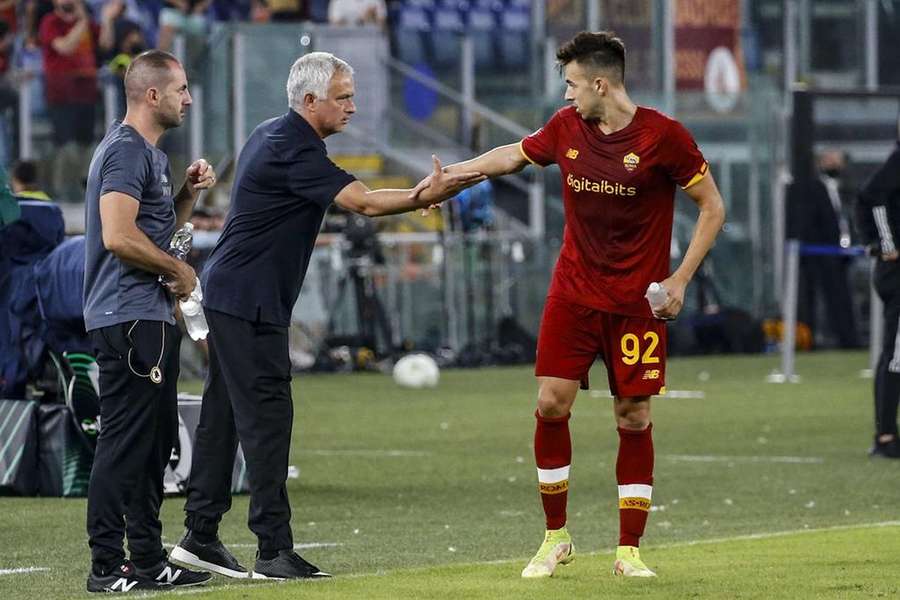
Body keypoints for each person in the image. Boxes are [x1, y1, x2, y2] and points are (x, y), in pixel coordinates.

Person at [417, 31, 725, 578]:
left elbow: (712, 208)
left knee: (633, 415)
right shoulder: (566, 129)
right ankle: (555, 537)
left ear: (600, 84)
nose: (566, 96)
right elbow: (513, 155)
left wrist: (679, 279)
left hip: (636, 304)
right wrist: (457, 176)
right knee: (552, 402)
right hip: (574, 293)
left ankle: (629, 551)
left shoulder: (664, 137)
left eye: (572, 84)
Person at [170, 51, 483, 580]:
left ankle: (200, 535)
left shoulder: (276, 133)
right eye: (343, 97)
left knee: (224, 416)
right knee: (268, 419)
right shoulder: (292, 145)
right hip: (247, 301)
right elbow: (363, 202)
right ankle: (272, 550)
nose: (353, 108)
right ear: (309, 100)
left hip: (236, 295)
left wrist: (414, 196)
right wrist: (423, 194)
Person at [82, 49, 216, 593]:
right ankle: (106, 564)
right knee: (124, 442)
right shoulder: (124, 152)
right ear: (153, 94)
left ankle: (147, 559)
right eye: (181, 88)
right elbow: (118, 237)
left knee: (155, 443)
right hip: (128, 314)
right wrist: (179, 270)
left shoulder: (150, 157)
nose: (189, 97)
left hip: (146, 314)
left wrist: (186, 195)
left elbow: (150, 232)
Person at [38, 0, 116, 201]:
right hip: (60, 95)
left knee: (85, 145)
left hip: (87, 94)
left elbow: (106, 44)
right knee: (66, 146)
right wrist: (83, 20)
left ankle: (83, 189)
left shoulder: (86, 23)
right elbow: (65, 47)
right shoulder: (50, 22)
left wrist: (106, 19)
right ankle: (61, 189)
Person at [856, 115, 900, 459]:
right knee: (896, 356)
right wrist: (886, 244)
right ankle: (885, 436)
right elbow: (870, 198)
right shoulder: (896, 162)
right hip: (896, 273)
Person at [788, 149, 860, 348]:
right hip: (819, 251)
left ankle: (848, 340)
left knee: (841, 297)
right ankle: (809, 341)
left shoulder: (846, 189)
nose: (834, 164)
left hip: (840, 253)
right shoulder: (812, 188)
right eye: (829, 160)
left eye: (837, 161)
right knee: (813, 297)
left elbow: (846, 219)